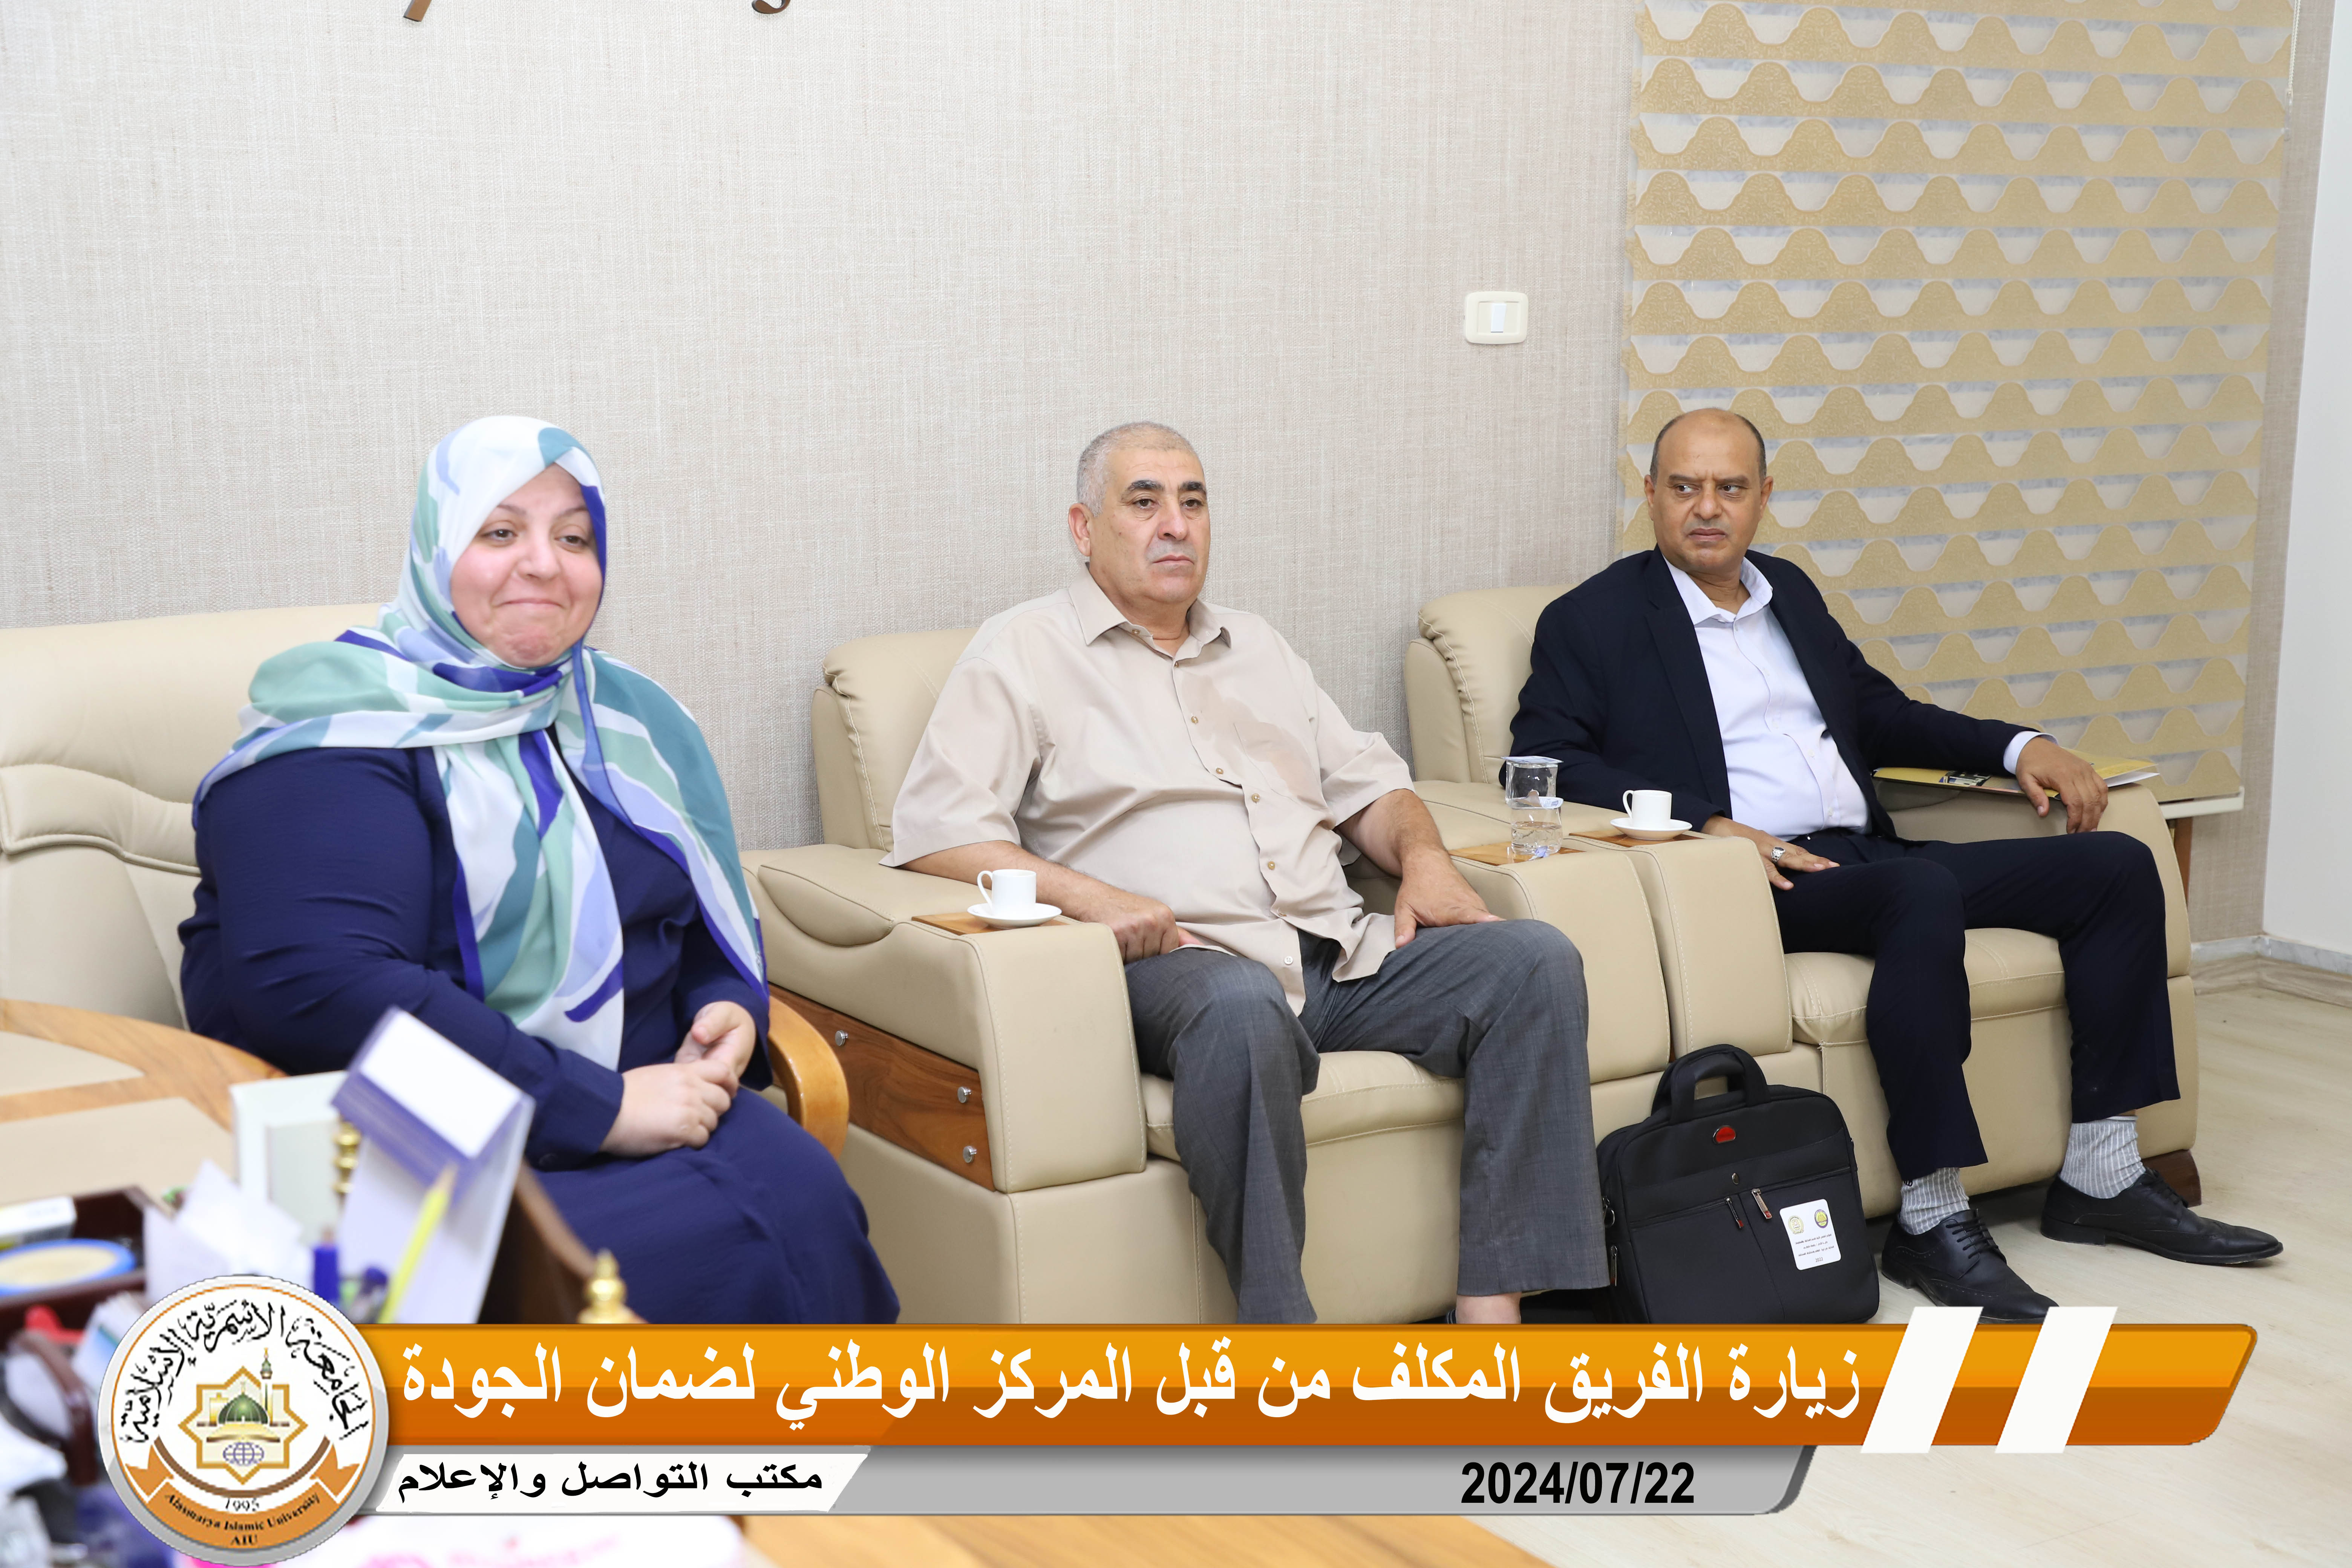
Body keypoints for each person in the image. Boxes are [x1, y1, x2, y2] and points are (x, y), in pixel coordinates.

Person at [1509, 406, 2280, 1322]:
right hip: (1754, 881)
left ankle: (2103, 1177)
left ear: (1763, 497)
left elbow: (1879, 714)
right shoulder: (1592, 620)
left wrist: (2018, 745)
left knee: (2113, 866)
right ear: (1649, 495)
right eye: (1684, 486)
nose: (1706, 507)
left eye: (1730, 487)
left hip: (1869, 858)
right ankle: (1933, 1211)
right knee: (1919, 890)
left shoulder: (1788, 595)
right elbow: (1545, 760)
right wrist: (1710, 826)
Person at [180, 416, 896, 1325]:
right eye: (501, 531)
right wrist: (601, 1109)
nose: (544, 565)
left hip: (669, 1097)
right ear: (438, 550)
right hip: (432, 1136)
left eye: (575, 537)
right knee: (621, 1281)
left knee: (807, 1212)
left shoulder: (624, 719)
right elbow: (321, 987)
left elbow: (694, 909)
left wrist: (726, 1004)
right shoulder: (339, 732)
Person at [885, 421, 1606, 1325]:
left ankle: (1492, 1323)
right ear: (1083, 528)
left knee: (1534, 962)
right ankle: (1280, 1340)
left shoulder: (1259, 645)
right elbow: (938, 832)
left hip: (1333, 952)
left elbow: (1373, 787)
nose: (1175, 524)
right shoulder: (1023, 651)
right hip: (1175, 966)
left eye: (1193, 501)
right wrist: (1092, 898)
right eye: (1143, 502)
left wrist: (1425, 860)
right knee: (1239, 1005)